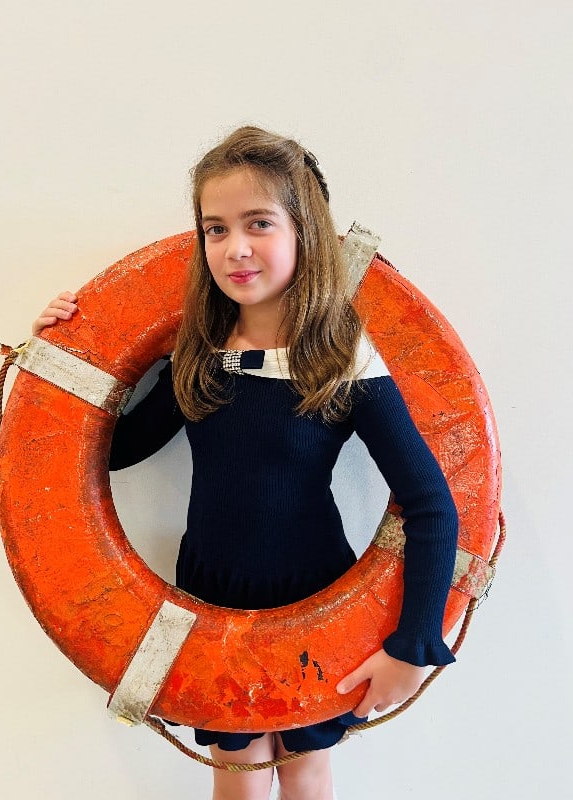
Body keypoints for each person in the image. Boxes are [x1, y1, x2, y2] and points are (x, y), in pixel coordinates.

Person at [32, 126, 458, 800]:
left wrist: (413, 646)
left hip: (316, 597)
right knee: (236, 774)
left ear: (303, 232)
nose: (235, 248)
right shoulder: (199, 355)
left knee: (304, 769)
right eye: (216, 228)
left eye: (259, 223)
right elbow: (114, 452)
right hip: (210, 597)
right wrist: (58, 364)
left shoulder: (343, 362)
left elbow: (431, 504)